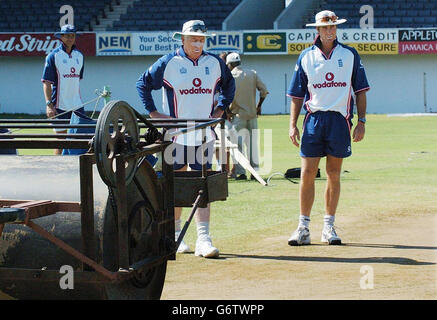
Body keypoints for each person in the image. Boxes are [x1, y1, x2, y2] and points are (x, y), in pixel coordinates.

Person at [136, 20, 235, 258]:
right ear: (182, 39)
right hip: (176, 136)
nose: (198, 43)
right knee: (176, 183)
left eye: (201, 39)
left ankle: (204, 238)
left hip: (204, 134)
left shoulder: (215, 63)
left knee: (203, 184)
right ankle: (175, 235)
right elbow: (142, 84)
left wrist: (221, 108)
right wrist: (154, 113)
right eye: (193, 39)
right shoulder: (169, 62)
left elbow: (229, 86)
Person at [287, 10, 369, 246]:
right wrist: (292, 124)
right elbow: (296, 95)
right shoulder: (305, 56)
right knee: (307, 173)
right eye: (325, 27)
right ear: (318, 30)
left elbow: (360, 91)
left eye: (333, 27)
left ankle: (328, 227)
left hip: (339, 121)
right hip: (313, 119)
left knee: (334, 173)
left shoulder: (350, 55)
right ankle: (303, 227)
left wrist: (361, 121)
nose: (330, 31)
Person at [41, 24, 84, 155]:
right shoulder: (53, 56)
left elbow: (76, 80)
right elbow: (46, 83)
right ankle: (57, 169)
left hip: (77, 106)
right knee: (60, 141)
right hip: (59, 106)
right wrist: (49, 104)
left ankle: (77, 168)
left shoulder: (80, 56)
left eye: (72, 35)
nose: (70, 38)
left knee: (81, 140)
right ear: (61, 37)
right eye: (67, 35)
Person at [226, 52, 269, 180]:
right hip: (252, 115)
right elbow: (264, 91)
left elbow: (227, 96)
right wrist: (259, 106)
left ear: (230, 64)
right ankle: (254, 172)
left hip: (238, 116)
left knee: (237, 146)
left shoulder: (231, 76)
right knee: (252, 145)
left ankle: (241, 173)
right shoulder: (252, 73)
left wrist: (227, 111)